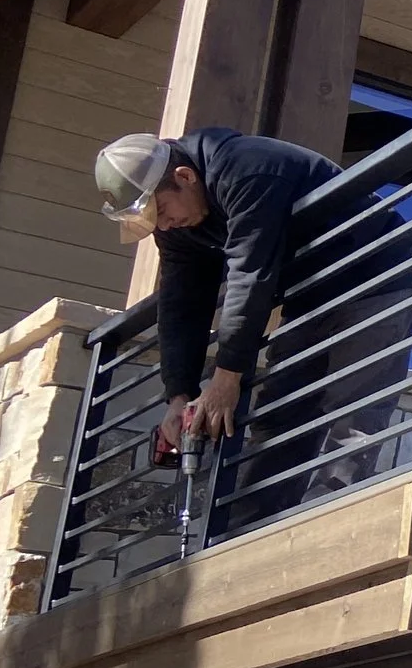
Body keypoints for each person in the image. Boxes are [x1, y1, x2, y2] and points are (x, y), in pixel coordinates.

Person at [94, 129, 344, 452]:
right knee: (277, 421)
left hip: (375, 273)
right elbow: (181, 304)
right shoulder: (176, 224)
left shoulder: (244, 169)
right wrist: (178, 396)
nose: (165, 226)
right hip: (309, 298)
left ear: (185, 177)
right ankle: (259, 506)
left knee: (349, 418)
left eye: (164, 211)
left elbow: (249, 272)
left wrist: (227, 377)